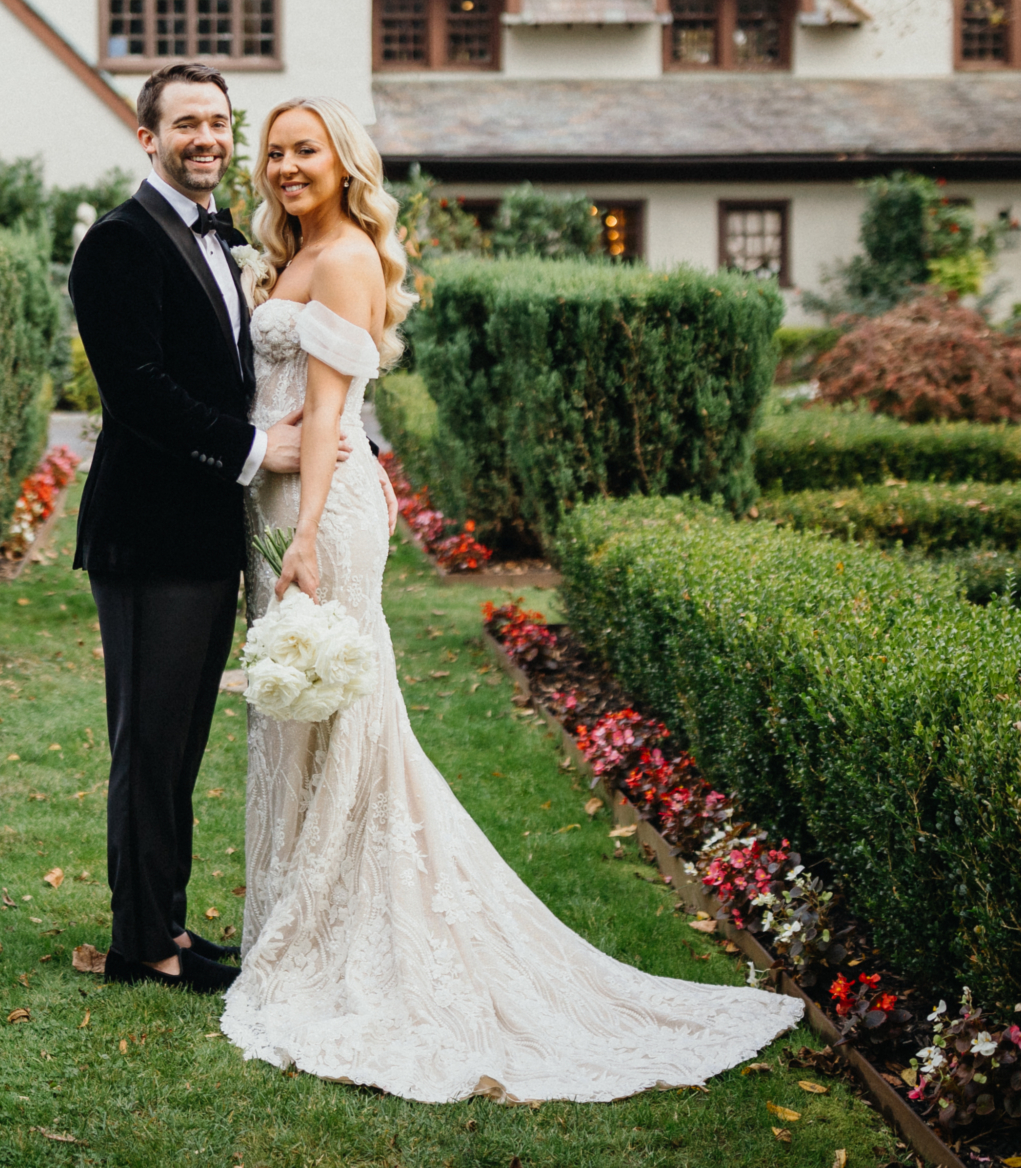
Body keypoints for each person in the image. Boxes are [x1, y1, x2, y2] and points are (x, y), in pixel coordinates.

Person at [220, 94, 806, 1101]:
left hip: (320, 507)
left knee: (340, 713)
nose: (284, 165)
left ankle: (331, 929)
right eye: (272, 151)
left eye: (304, 149)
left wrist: (307, 535)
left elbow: (326, 413)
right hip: (275, 499)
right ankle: (296, 922)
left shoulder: (349, 255)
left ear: (341, 159)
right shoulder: (286, 256)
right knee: (296, 717)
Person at [66, 61, 342, 995]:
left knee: (179, 744)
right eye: (186, 123)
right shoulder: (116, 243)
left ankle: (167, 923)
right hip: (146, 540)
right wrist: (262, 449)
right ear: (148, 137)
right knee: (147, 742)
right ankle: (140, 940)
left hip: (202, 536)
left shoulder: (217, 239)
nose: (208, 139)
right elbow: (140, 395)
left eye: (220, 123)